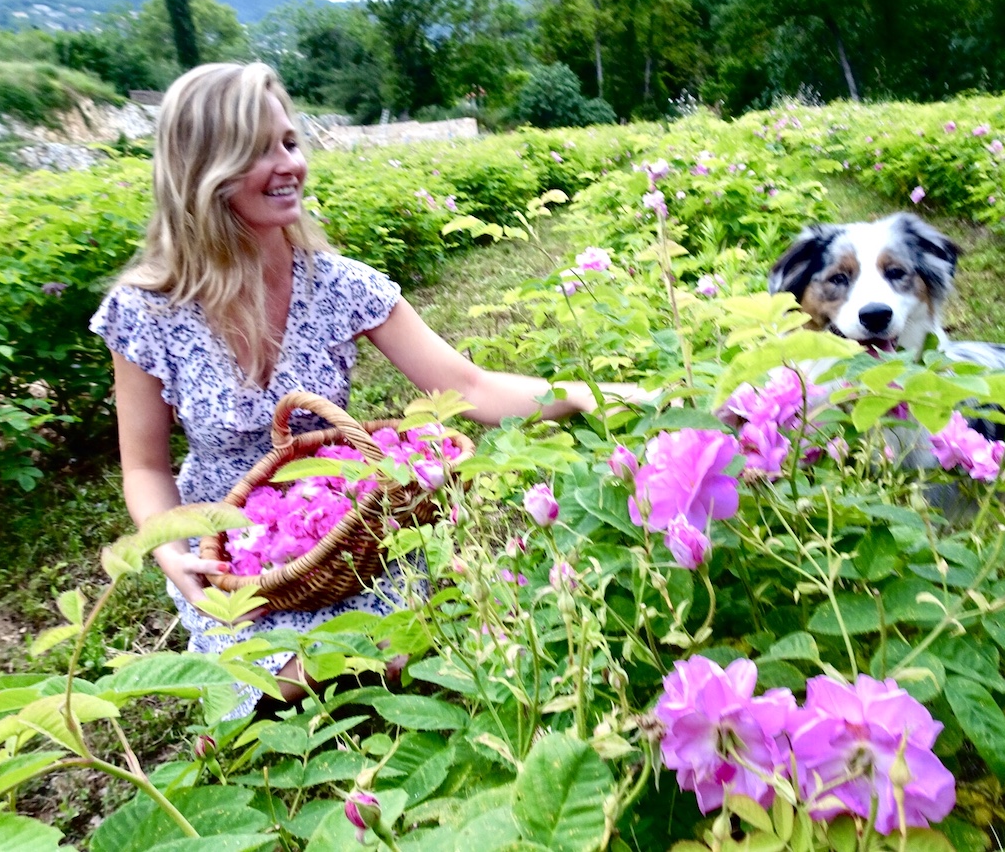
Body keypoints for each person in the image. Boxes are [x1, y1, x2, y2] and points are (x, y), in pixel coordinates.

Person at [90, 62, 639, 719]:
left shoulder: (340, 284)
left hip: (347, 531)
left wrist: (585, 394)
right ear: (206, 168)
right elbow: (145, 467)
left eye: (290, 142)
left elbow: (469, 387)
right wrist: (174, 555)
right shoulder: (148, 309)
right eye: (260, 149)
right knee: (267, 697)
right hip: (233, 555)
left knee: (402, 658)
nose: (288, 163)